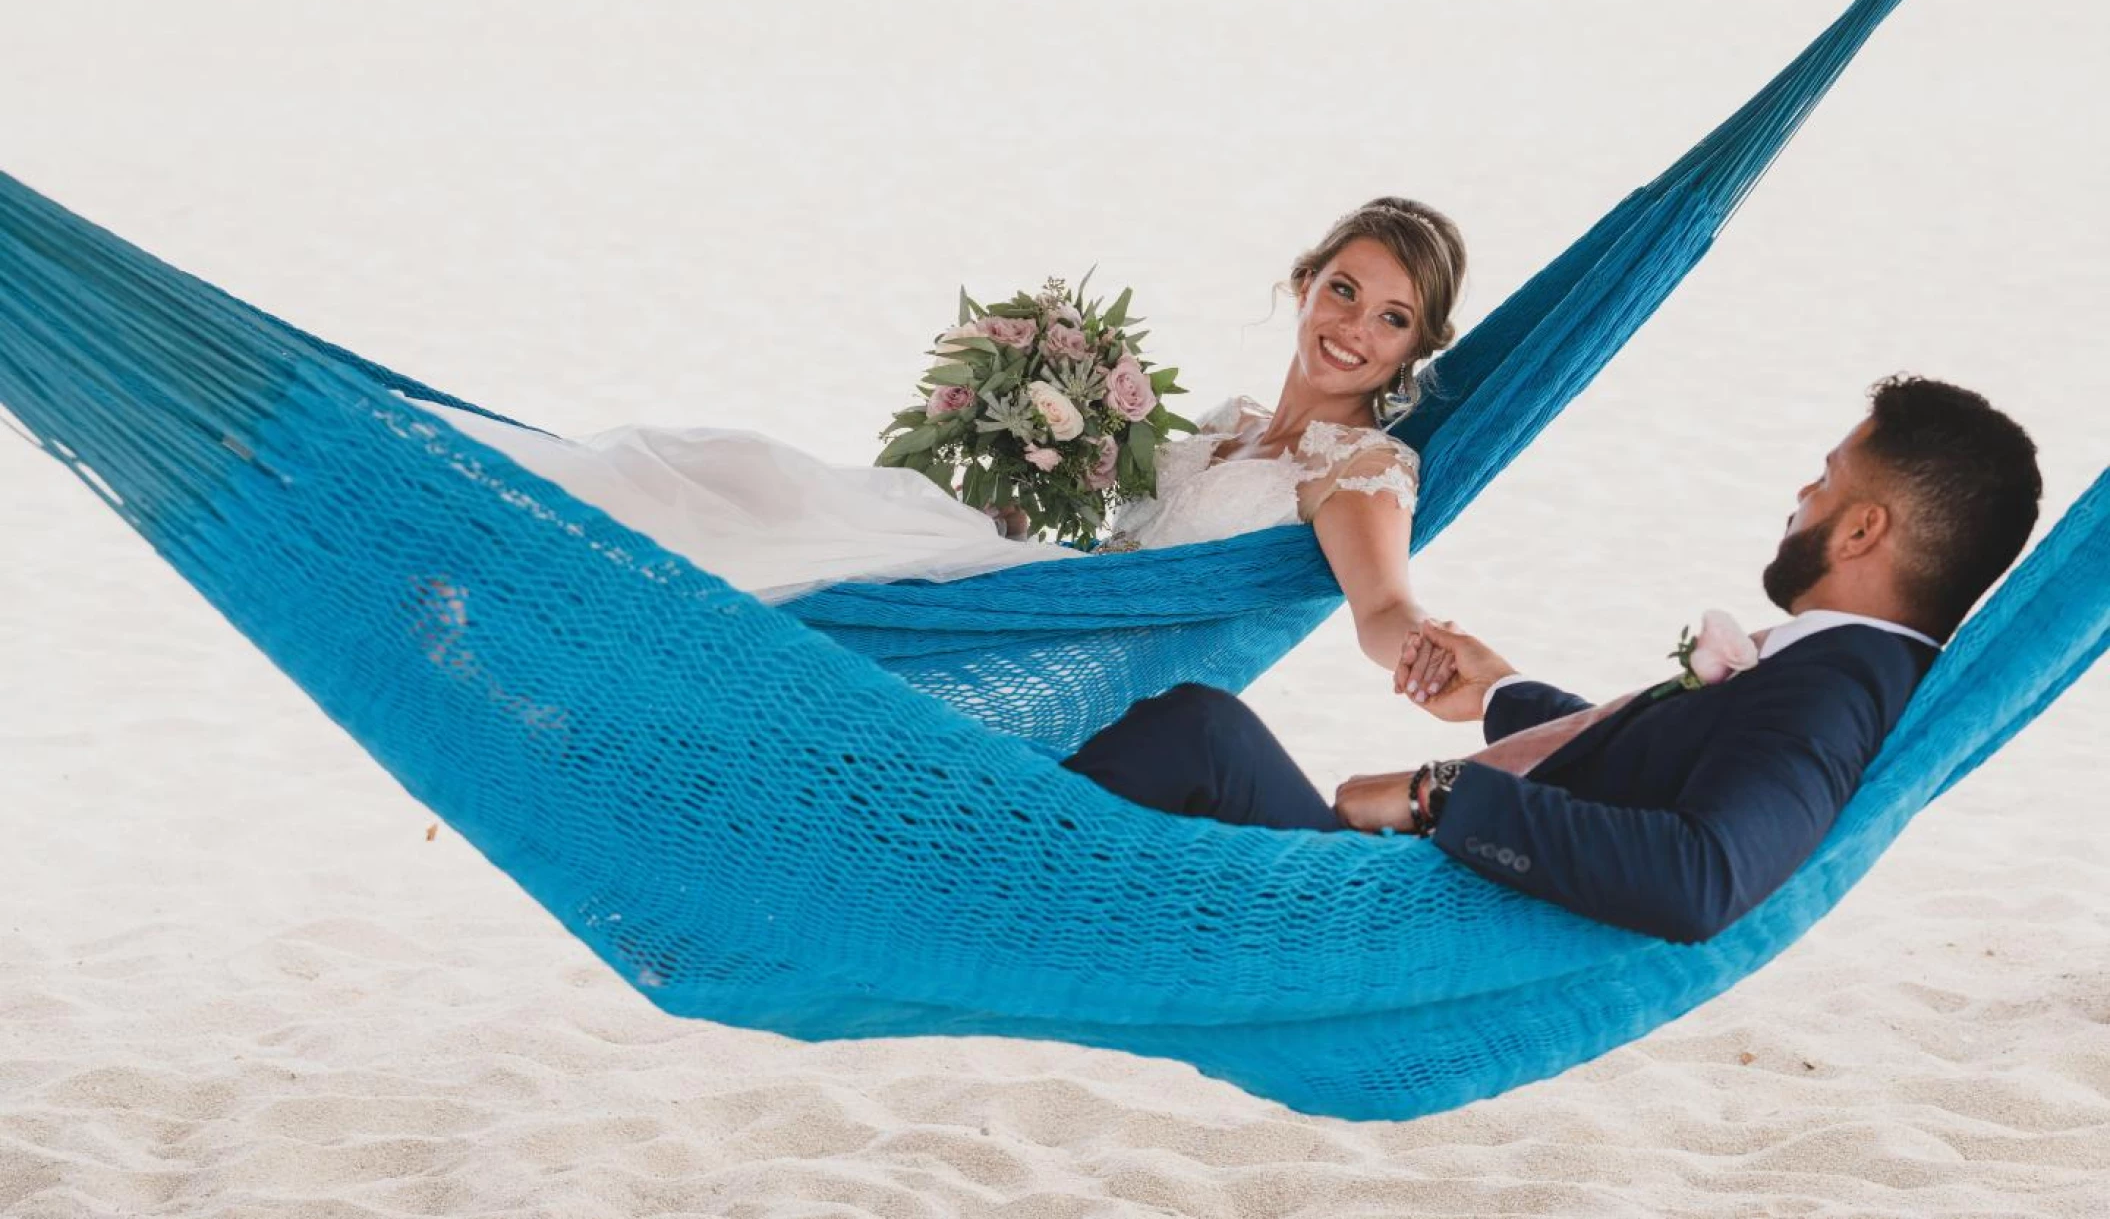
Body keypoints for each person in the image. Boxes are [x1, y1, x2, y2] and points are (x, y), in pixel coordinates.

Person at [1062, 376, 2042, 943]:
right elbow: (1642, 775)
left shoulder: (1832, 691)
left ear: (1866, 527)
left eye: (1826, 481)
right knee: (1193, 737)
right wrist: (1497, 693)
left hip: (1400, 922)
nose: (1801, 493)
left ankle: (962, 882)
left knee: (1198, 731)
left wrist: (1434, 795)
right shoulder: (1836, 661)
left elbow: (1699, 877)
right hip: (1421, 892)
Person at [412, 198, 1466, 674]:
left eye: (1391, 317)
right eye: (1343, 289)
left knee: (780, 518)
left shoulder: (1361, 468)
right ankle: (489, 530)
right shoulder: (1230, 426)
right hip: (1057, 590)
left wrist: (1423, 654)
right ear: (1301, 283)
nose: (1351, 329)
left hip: (1082, 643)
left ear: (1416, 344)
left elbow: (1381, 601)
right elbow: (1118, 549)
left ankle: (504, 565)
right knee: (755, 479)